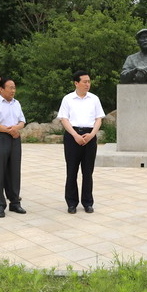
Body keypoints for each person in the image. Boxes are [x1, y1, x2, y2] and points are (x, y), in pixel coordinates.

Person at [57, 70, 105, 214]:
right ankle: (71, 203)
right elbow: (64, 119)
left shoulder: (94, 99)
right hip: (72, 136)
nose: (87, 84)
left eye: (89, 81)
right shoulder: (68, 99)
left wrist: (92, 134)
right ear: (76, 83)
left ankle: (87, 202)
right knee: (71, 171)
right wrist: (75, 135)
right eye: (85, 82)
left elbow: (99, 119)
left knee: (88, 172)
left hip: (90, 136)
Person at [0, 77, 26, 218]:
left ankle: (14, 202)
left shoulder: (16, 103)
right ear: (1, 89)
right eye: (10, 88)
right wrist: (10, 130)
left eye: (14, 87)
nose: (13, 90)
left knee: (14, 171)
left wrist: (16, 128)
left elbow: (22, 121)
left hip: (14, 138)